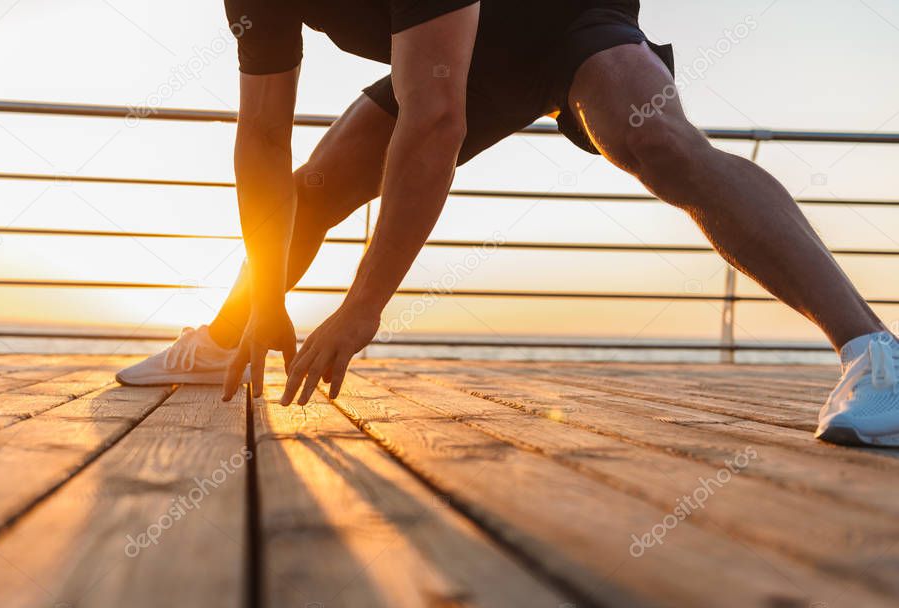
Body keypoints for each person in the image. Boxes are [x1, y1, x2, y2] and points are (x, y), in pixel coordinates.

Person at [117, 1, 899, 447]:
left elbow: (434, 123)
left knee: (655, 139)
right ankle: (226, 333)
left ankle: (875, 353)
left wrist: (361, 307)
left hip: (557, 15)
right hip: (454, 48)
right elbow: (261, 136)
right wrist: (267, 298)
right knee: (314, 188)